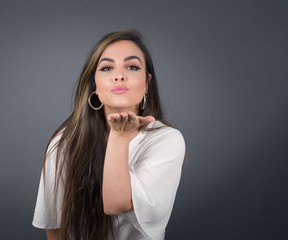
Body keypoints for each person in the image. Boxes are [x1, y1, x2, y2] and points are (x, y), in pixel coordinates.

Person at [32, 29, 186, 240]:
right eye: (106, 67)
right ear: (94, 85)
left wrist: (119, 136)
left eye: (132, 67)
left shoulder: (166, 140)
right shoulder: (65, 142)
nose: (119, 75)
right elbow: (55, 228)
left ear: (147, 83)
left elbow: (116, 204)